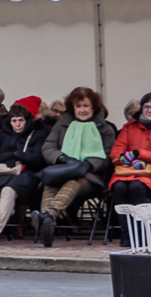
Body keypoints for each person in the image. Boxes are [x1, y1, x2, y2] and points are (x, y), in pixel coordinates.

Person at [33, 87, 116, 247]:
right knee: (50, 183)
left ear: (93, 106)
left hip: (89, 176)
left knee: (73, 183)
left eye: (85, 105)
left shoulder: (105, 129)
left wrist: (88, 165)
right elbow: (48, 148)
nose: (82, 110)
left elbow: (108, 155)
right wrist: (63, 159)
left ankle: (48, 215)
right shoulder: (61, 126)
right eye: (78, 106)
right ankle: (47, 221)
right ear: (73, 107)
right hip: (63, 169)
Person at [107, 93, 151, 242]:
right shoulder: (129, 128)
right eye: (146, 107)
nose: (150, 110)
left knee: (137, 187)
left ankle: (147, 231)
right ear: (141, 109)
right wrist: (131, 160)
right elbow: (116, 153)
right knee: (119, 187)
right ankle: (127, 233)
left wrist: (139, 154)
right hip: (127, 170)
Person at [0, 103, 47, 243]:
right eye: (14, 120)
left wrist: (17, 154)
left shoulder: (37, 135)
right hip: (3, 171)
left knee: (8, 191)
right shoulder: (3, 134)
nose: (17, 124)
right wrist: (2, 158)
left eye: (21, 120)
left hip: (25, 173)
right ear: (10, 122)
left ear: (27, 120)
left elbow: (38, 158)